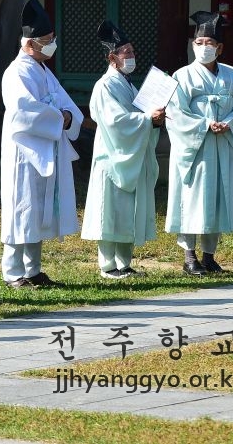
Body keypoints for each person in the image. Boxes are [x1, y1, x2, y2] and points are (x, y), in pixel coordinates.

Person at [0, 0, 82, 289]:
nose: (51, 44)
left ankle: (33, 270)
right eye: (46, 40)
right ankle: (13, 272)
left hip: (46, 148)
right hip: (25, 151)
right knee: (20, 208)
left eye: (52, 39)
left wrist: (67, 117)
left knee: (37, 211)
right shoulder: (17, 72)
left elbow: (66, 105)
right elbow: (24, 109)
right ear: (30, 43)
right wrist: (59, 117)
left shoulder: (44, 71)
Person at [166, 10, 233, 276]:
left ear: (220, 48)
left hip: (222, 144)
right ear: (193, 46)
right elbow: (175, 112)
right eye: (199, 44)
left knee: (217, 198)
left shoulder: (231, 74)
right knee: (191, 198)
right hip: (195, 148)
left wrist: (229, 122)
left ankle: (209, 256)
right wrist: (204, 125)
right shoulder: (181, 76)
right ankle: (189, 256)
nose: (204, 48)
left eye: (210, 44)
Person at [81, 20, 164, 279]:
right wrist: (147, 119)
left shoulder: (128, 84)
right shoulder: (105, 86)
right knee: (111, 211)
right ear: (112, 57)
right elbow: (115, 121)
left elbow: (140, 114)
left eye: (132, 51)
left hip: (131, 154)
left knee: (127, 211)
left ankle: (124, 263)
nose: (131, 56)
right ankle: (108, 265)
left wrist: (155, 119)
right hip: (112, 157)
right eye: (125, 52)